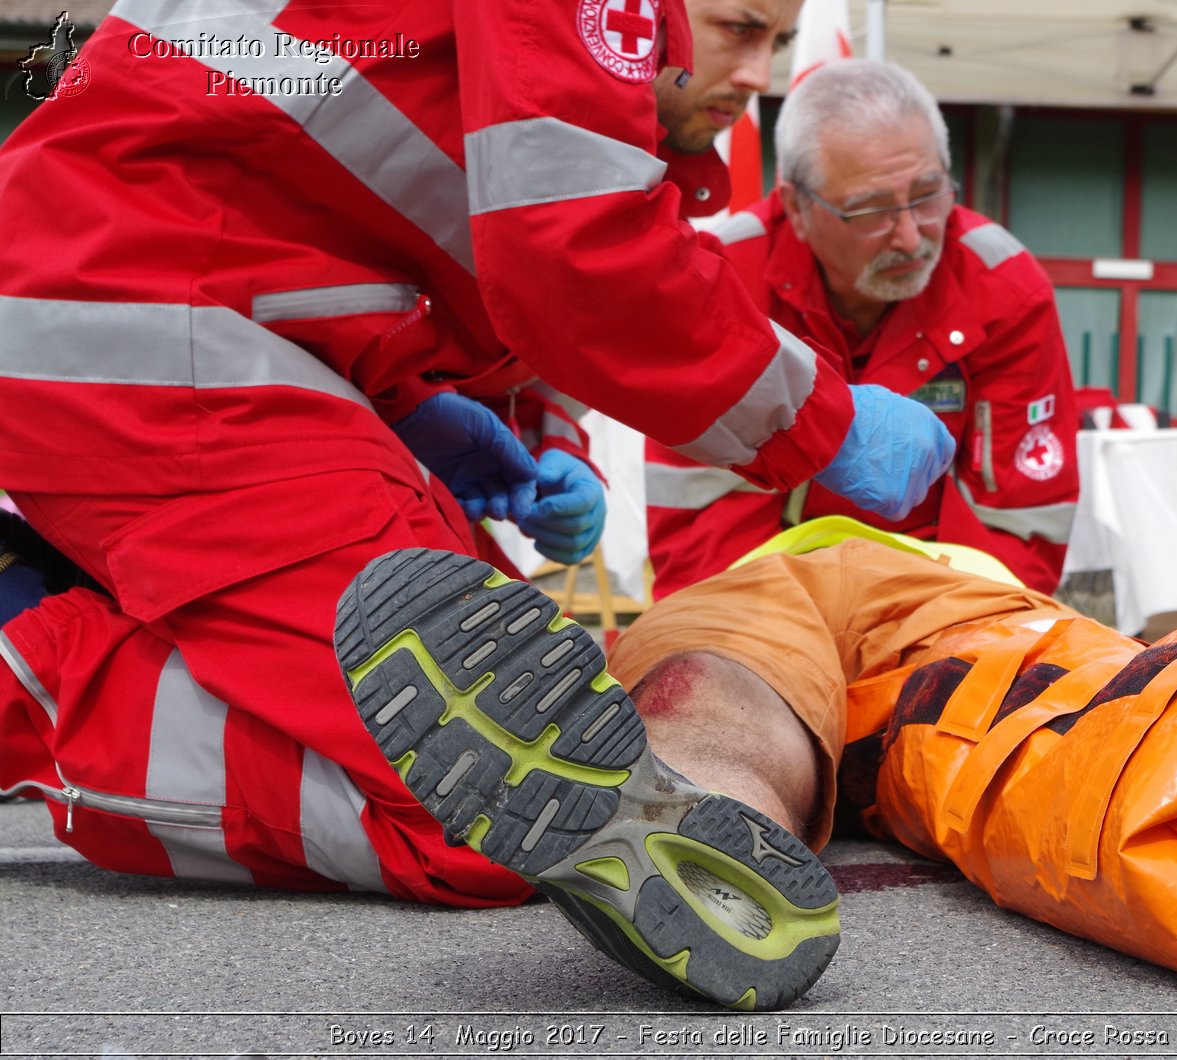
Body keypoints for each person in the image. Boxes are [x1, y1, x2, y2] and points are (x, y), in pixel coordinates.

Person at [0, 0, 953, 911]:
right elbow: (575, 250)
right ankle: (30, 662)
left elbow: (388, 229)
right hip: (141, 339)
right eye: (739, 28)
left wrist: (485, 424)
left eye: (778, 39)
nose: (757, 74)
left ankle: (102, 603)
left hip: (168, 316)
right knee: (497, 816)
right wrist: (826, 424)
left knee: (510, 733)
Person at [335, 517, 1177, 1012]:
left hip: (851, 596)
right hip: (959, 610)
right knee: (1072, 719)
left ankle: (671, 807)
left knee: (717, 686)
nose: (905, 221)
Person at [646, 60, 1078, 599]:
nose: (909, 237)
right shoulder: (725, 279)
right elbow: (702, 532)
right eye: (870, 210)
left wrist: (944, 646)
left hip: (943, 604)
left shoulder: (1003, 285)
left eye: (927, 195)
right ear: (796, 208)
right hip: (770, 602)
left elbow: (1019, 523)